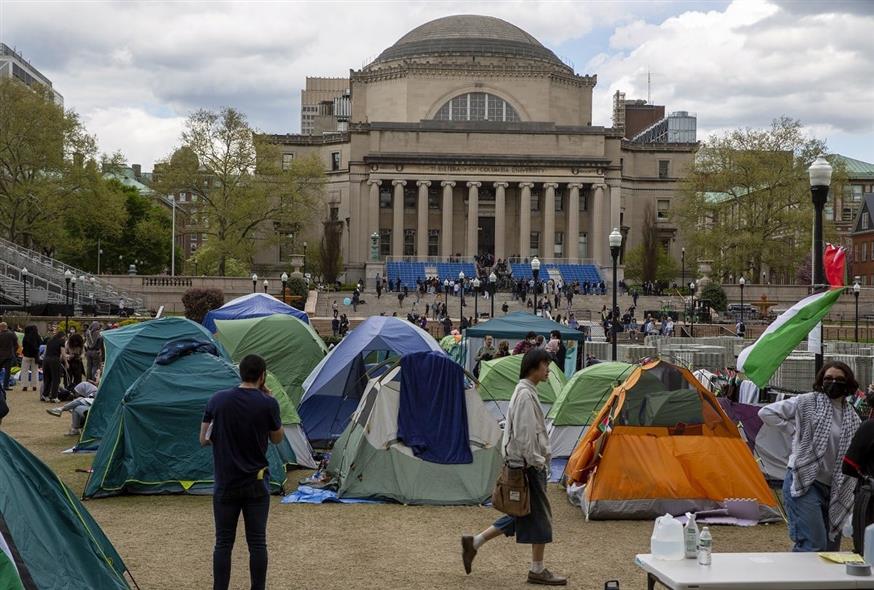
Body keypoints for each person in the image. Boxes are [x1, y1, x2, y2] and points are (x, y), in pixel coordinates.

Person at [461, 349, 566, 585]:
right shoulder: (526, 396)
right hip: (528, 466)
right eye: (545, 365)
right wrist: (538, 463)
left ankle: (474, 542)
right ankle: (537, 569)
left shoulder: (525, 392)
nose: (548, 370)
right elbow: (526, 436)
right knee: (540, 518)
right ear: (534, 367)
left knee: (522, 513)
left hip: (523, 463)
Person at [200, 354, 284, 590]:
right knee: (257, 543)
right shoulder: (268, 403)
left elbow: (203, 439)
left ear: (241, 373)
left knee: (223, 543)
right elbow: (277, 439)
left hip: (226, 482)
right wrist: (269, 400)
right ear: (263, 376)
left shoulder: (217, 400)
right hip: (256, 483)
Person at [759, 361, 862, 552]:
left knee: (830, 550)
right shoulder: (806, 402)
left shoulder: (852, 417)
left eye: (839, 379)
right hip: (803, 481)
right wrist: (793, 430)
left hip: (833, 489)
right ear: (821, 381)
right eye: (828, 378)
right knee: (813, 545)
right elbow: (766, 412)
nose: (833, 382)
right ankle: (799, 581)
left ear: (848, 384)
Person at [41, 330, 65, 403]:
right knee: (56, 379)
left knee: (47, 378)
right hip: (54, 360)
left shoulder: (49, 341)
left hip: (46, 360)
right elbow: (63, 354)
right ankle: (54, 396)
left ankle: (45, 395)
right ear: (62, 337)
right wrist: (66, 363)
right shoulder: (61, 341)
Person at [20, 325, 41, 392]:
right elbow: (40, 343)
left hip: (26, 355)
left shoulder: (26, 336)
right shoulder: (37, 336)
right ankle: (34, 386)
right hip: (35, 356)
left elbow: (23, 345)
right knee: (35, 371)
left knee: (24, 371)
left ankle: (25, 386)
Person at [0, 323, 17, 392]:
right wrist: (13, 351)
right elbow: (16, 344)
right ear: (6, 327)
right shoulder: (12, 334)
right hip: (9, 354)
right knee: (8, 371)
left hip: (0, 355)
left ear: (1, 327)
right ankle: (6, 386)